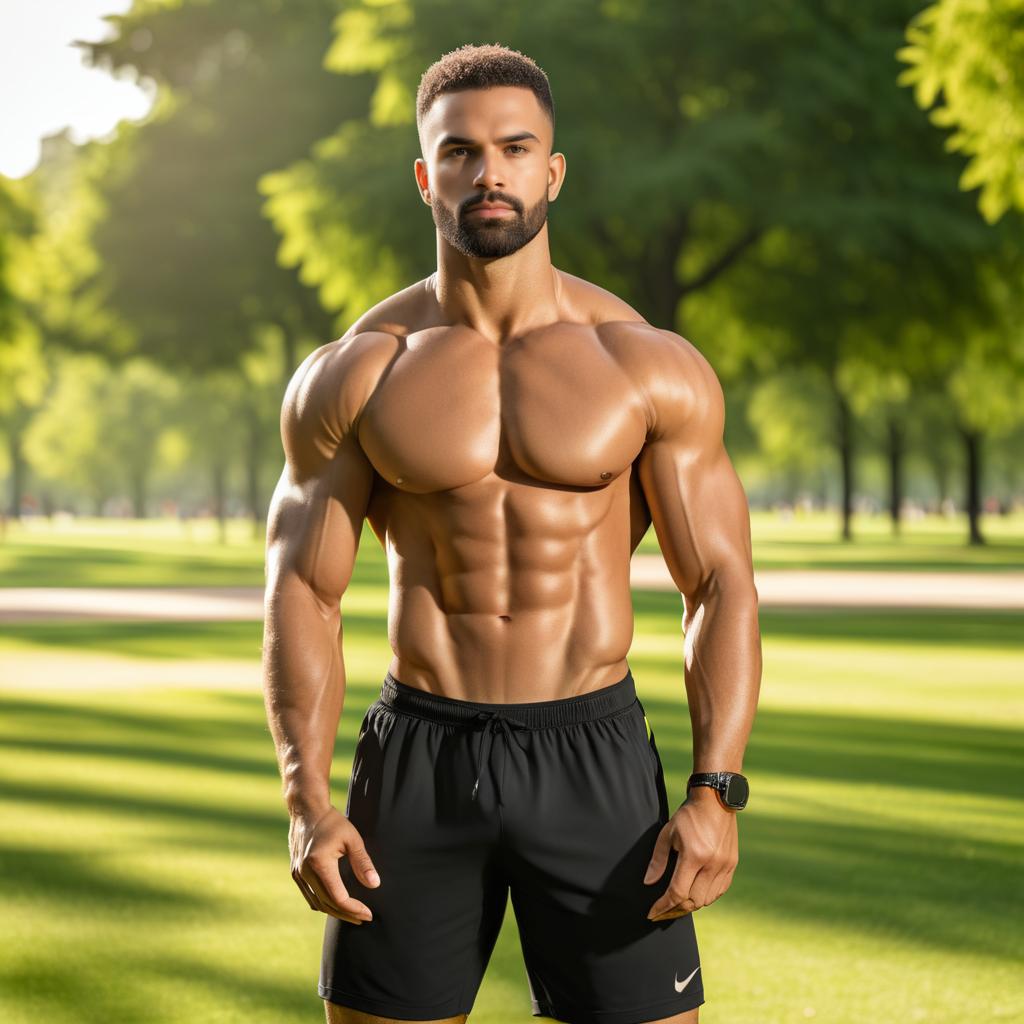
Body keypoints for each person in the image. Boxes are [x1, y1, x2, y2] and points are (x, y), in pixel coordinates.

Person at [261, 41, 761, 1024]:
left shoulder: (644, 364)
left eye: (514, 148)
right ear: (423, 174)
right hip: (418, 759)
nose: (487, 172)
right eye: (457, 152)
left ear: (552, 170)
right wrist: (307, 802)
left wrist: (715, 789)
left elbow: (720, 584)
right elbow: (302, 593)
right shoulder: (358, 371)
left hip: (593, 752)